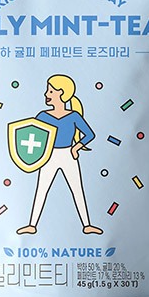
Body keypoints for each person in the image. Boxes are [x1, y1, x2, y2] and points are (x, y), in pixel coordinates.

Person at [17, 74, 103, 235]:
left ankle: (87, 225)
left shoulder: (73, 116)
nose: (46, 94)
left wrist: (76, 148)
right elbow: (35, 135)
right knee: (41, 189)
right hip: (48, 156)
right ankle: (32, 225)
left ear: (61, 93)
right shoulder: (42, 116)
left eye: (50, 91)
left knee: (77, 189)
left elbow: (90, 134)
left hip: (68, 155)